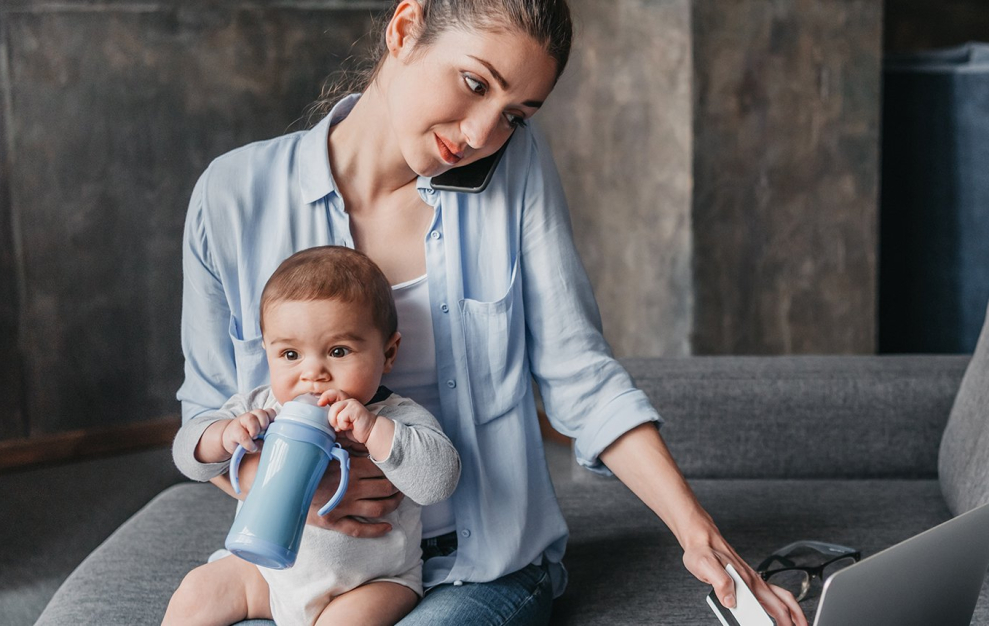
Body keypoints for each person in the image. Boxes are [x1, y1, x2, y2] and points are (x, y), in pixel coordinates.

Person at [176, 0, 808, 624]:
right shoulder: (231, 197)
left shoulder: (516, 171)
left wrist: (697, 532)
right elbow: (205, 417)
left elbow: (581, 376)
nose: (480, 135)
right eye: (474, 83)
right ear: (404, 29)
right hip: (301, 565)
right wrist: (282, 486)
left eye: (513, 114)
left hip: (479, 570)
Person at [166, 246, 461, 625]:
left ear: (388, 353)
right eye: (290, 355)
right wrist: (223, 436)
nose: (313, 373)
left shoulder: (394, 415)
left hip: (370, 582)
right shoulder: (261, 406)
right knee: (197, 591)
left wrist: (373, 432)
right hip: (267, 577)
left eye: (338, 351)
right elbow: (187, 455)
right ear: (267, 352)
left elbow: (439, 481)